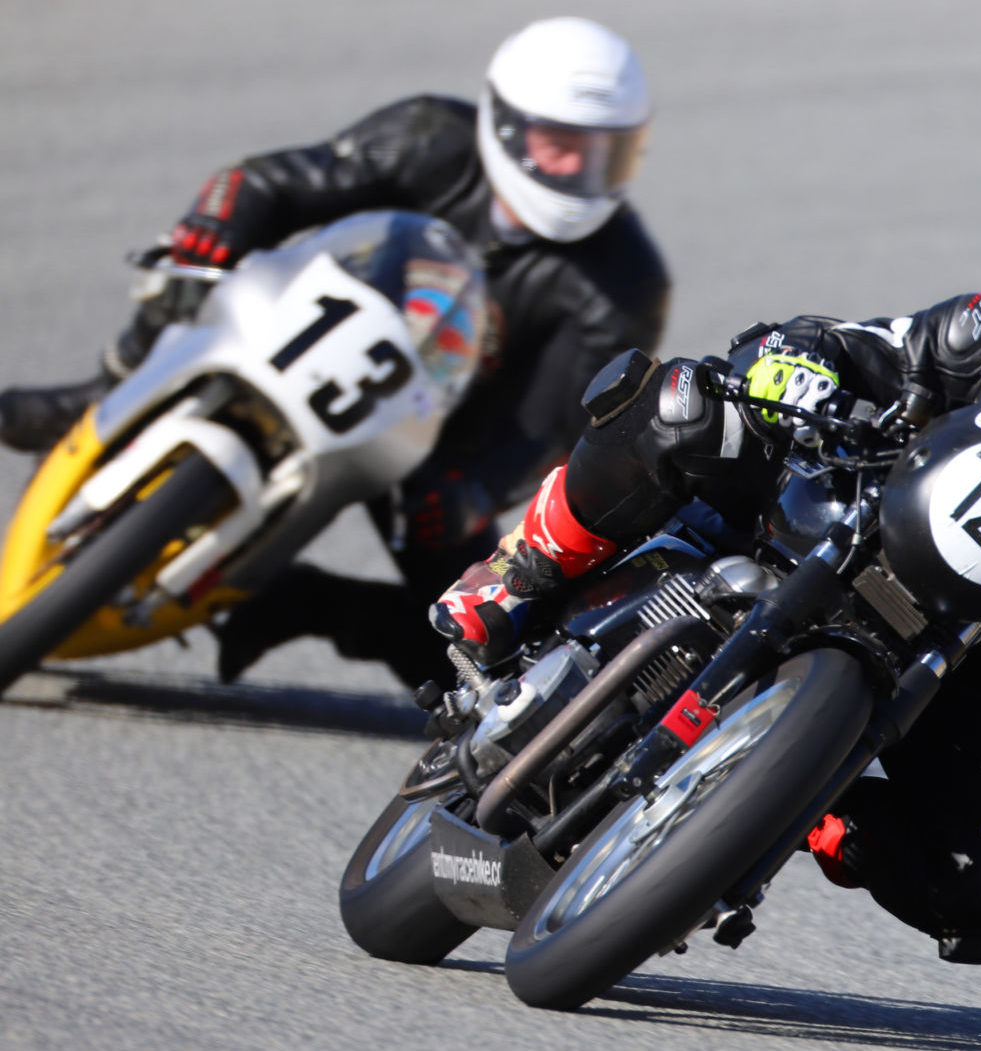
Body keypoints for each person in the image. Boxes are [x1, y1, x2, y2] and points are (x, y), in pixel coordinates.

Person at [433, 214, 981, 963]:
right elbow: (839, 344)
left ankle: (793, 805)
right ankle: (520, 573)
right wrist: (792, 367)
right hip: (841, 508)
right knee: (687, 403)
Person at [0, 17, 671, 687]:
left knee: (481, 651)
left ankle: (310, 602)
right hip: (305, 325)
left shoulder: (626, 281)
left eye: (603, 154)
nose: (578, 171)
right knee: (186, 273)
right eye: (560, 145)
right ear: (505, 126)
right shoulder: (430, 135)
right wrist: (215, 223)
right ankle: (106, 386)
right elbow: (279, 182)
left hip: (427, 448)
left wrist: (473, 488)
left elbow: (552, 427)